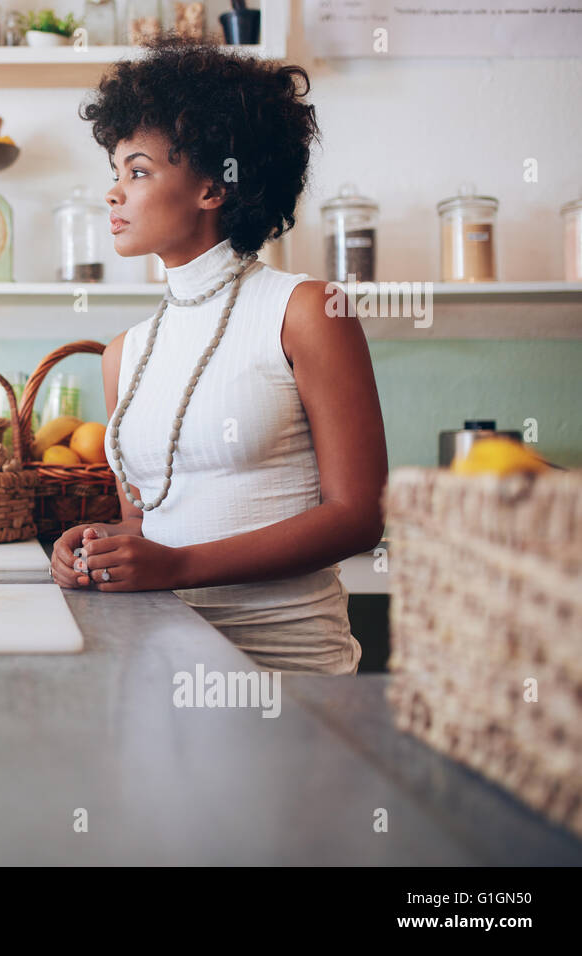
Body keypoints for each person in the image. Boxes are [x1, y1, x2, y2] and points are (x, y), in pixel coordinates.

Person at [50, 39, 387, 676]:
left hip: (289, 676)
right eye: (116, 172)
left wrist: (179, 566)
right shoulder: (125, 354)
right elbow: (147, 530)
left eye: (138, 171)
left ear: (212, 186)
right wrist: (95, 547)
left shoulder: (308, 310)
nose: (113, 195)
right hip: (163, 665)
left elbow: (360, 516)